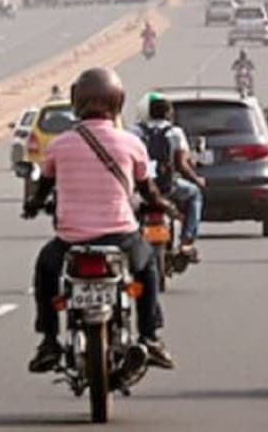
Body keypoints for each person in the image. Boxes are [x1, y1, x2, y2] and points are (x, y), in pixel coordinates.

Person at [26, 68, 176, 372]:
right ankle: (149, 336)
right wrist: (165, 205)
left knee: (45, 270)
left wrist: (33, 206)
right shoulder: (132, 144)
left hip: (71, 240)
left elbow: (42, 188)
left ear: (76, 102)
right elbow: (148, 191)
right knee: (147, 268)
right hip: (120, 236)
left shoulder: (59, 145)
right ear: (118, 102)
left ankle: (49, 340)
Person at [133, 93, 206, 259]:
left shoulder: (134, 131)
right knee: (194, 194)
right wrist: (197, 181)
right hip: (168, 187)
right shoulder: (175, 132)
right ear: (169, 113)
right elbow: (182, 165)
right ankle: (187, 240)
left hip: (140, 187)